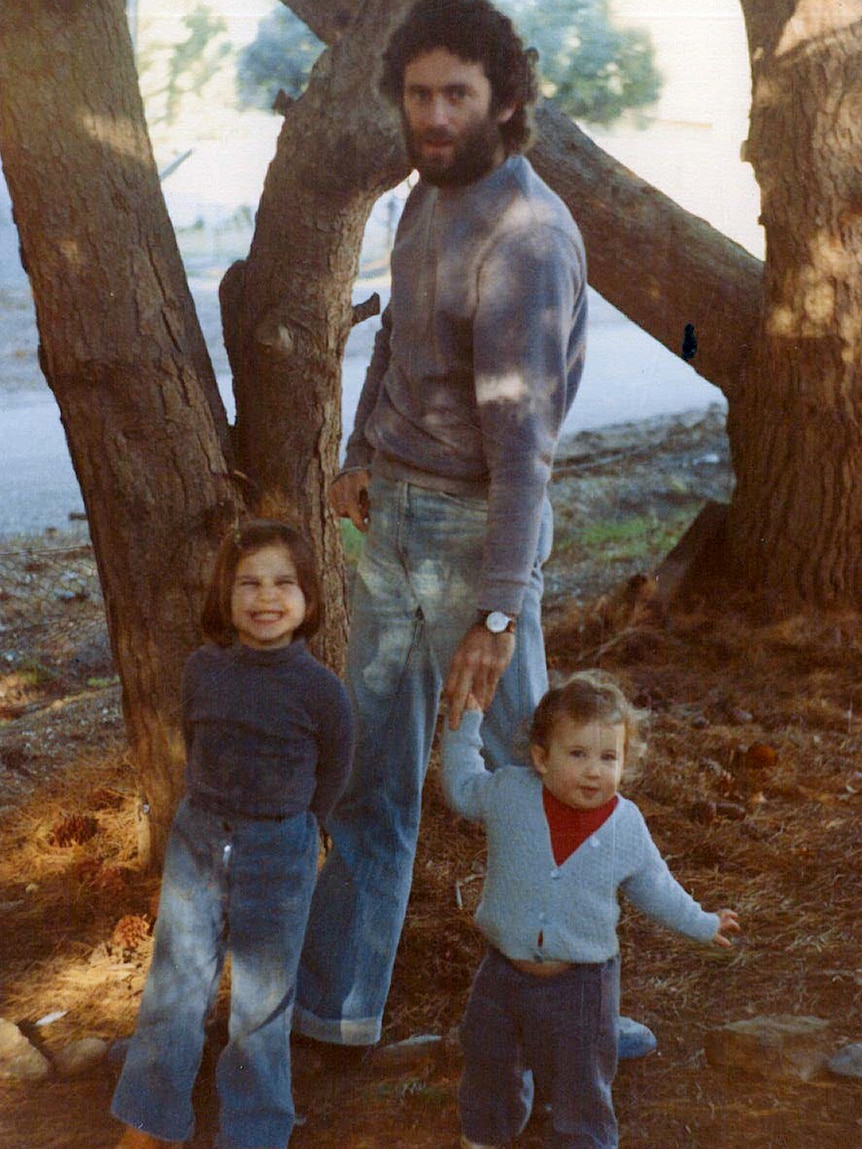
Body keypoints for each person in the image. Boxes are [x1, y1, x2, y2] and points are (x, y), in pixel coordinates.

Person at [292, 0, 590, 1058]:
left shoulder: (527, 239)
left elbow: (525, 454)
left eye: (456, 94)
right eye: (418, 93)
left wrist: (498, 616)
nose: (433, 113)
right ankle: (336, 1017)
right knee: (372, 771)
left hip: (481, 538)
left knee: (536, 781)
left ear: (503, 101)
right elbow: (396, 345)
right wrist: (362, 450)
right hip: (397, 525)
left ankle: (572, 1018)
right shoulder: (425, 196)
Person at [111, 520, 355, 1149]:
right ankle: (147, 1120)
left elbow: (334, 771)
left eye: (283, 583)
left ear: (308, 600)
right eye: (248, 583)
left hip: (281, 848)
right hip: (199, 839)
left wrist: (306, 829)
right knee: (175, 986)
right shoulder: (202, 670)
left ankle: (254, 1131)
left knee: (262, 1005)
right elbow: (196, 746)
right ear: (225, 595)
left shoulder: (322, 690)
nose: (265, 598)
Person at [441, 672, 741, 1149]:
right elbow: (459, 787)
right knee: (487, 1056)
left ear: (625, 761)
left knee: (581, 1078)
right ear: (541, 757)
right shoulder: (509, 794)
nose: (594, 771)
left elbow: (655, 885)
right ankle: (486, 1132)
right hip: (501, 973)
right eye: (577, 754)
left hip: (582, 983)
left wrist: (702, 923)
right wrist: (465, 725)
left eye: (608, 757)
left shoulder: (625, 825)